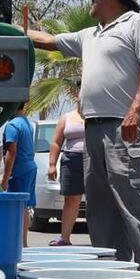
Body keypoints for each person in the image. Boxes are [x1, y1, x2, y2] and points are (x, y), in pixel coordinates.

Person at [27, 0, 140, 276]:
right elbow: (49, 41)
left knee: (134, 200)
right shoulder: (89, 35)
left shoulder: (136, 23)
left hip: (124, 127)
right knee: (100, 207)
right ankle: (111, 273)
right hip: (93, 128)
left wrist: (134, 112)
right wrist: (15, 31)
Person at [47, 105, 86, 247]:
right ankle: (64, 238)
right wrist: (52, 165)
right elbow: (56, 142)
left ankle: (102, 239)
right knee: (71, 199)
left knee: (97, 201)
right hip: (71, 160)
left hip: (93, 159)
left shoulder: (97, 116)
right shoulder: (67, 117)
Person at [0, 103, 37, 248]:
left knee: (16, 206)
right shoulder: (27, 123)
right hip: (30, 167)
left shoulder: (12, 126)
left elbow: (11, 152)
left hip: (19, 170)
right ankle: (23, 242)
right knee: (24, 206)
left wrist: (5, 177)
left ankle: (16, 243)